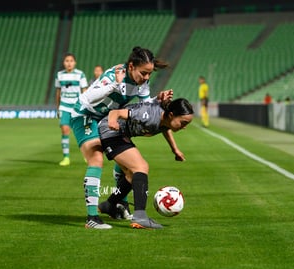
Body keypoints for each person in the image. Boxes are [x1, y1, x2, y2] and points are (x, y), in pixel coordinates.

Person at [70, 46, 181, 229]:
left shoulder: (142, 83)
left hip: (107, 119)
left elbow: (145, 107)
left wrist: (156, 100)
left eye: (149, 74)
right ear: (131, 66)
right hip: (85, 115)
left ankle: (116, 204)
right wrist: (114, 85)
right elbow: (88, 98)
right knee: (96, 158)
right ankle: (92, 218)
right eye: (143, 73)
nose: (146, 78)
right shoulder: (114, 76)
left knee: (129, 166)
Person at [98, 98, 194, 229]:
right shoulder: (148, 115)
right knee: (141, 167)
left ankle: (109, 205)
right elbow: (115, 113)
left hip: (122, 135)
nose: (184, 127)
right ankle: (140, 217)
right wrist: (112, 122)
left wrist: (175, 149)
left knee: (132, 176)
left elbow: (165, 128)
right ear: (171, 115)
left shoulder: (166, 119)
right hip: (111, 132)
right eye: (183, 123)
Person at [55, 53, 88, 166]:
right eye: (66, 61)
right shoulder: (59, 75)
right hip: (64, 106)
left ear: (75, 62)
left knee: (81, 132)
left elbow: (85, 91)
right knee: (65, 130)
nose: (69, 63)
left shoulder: (80, 75)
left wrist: (86, 107)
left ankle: (86, 155)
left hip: (77, 107)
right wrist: (58, 108)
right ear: (64, 63)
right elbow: (58, 92)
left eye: (71, 61)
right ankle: (66, 158)